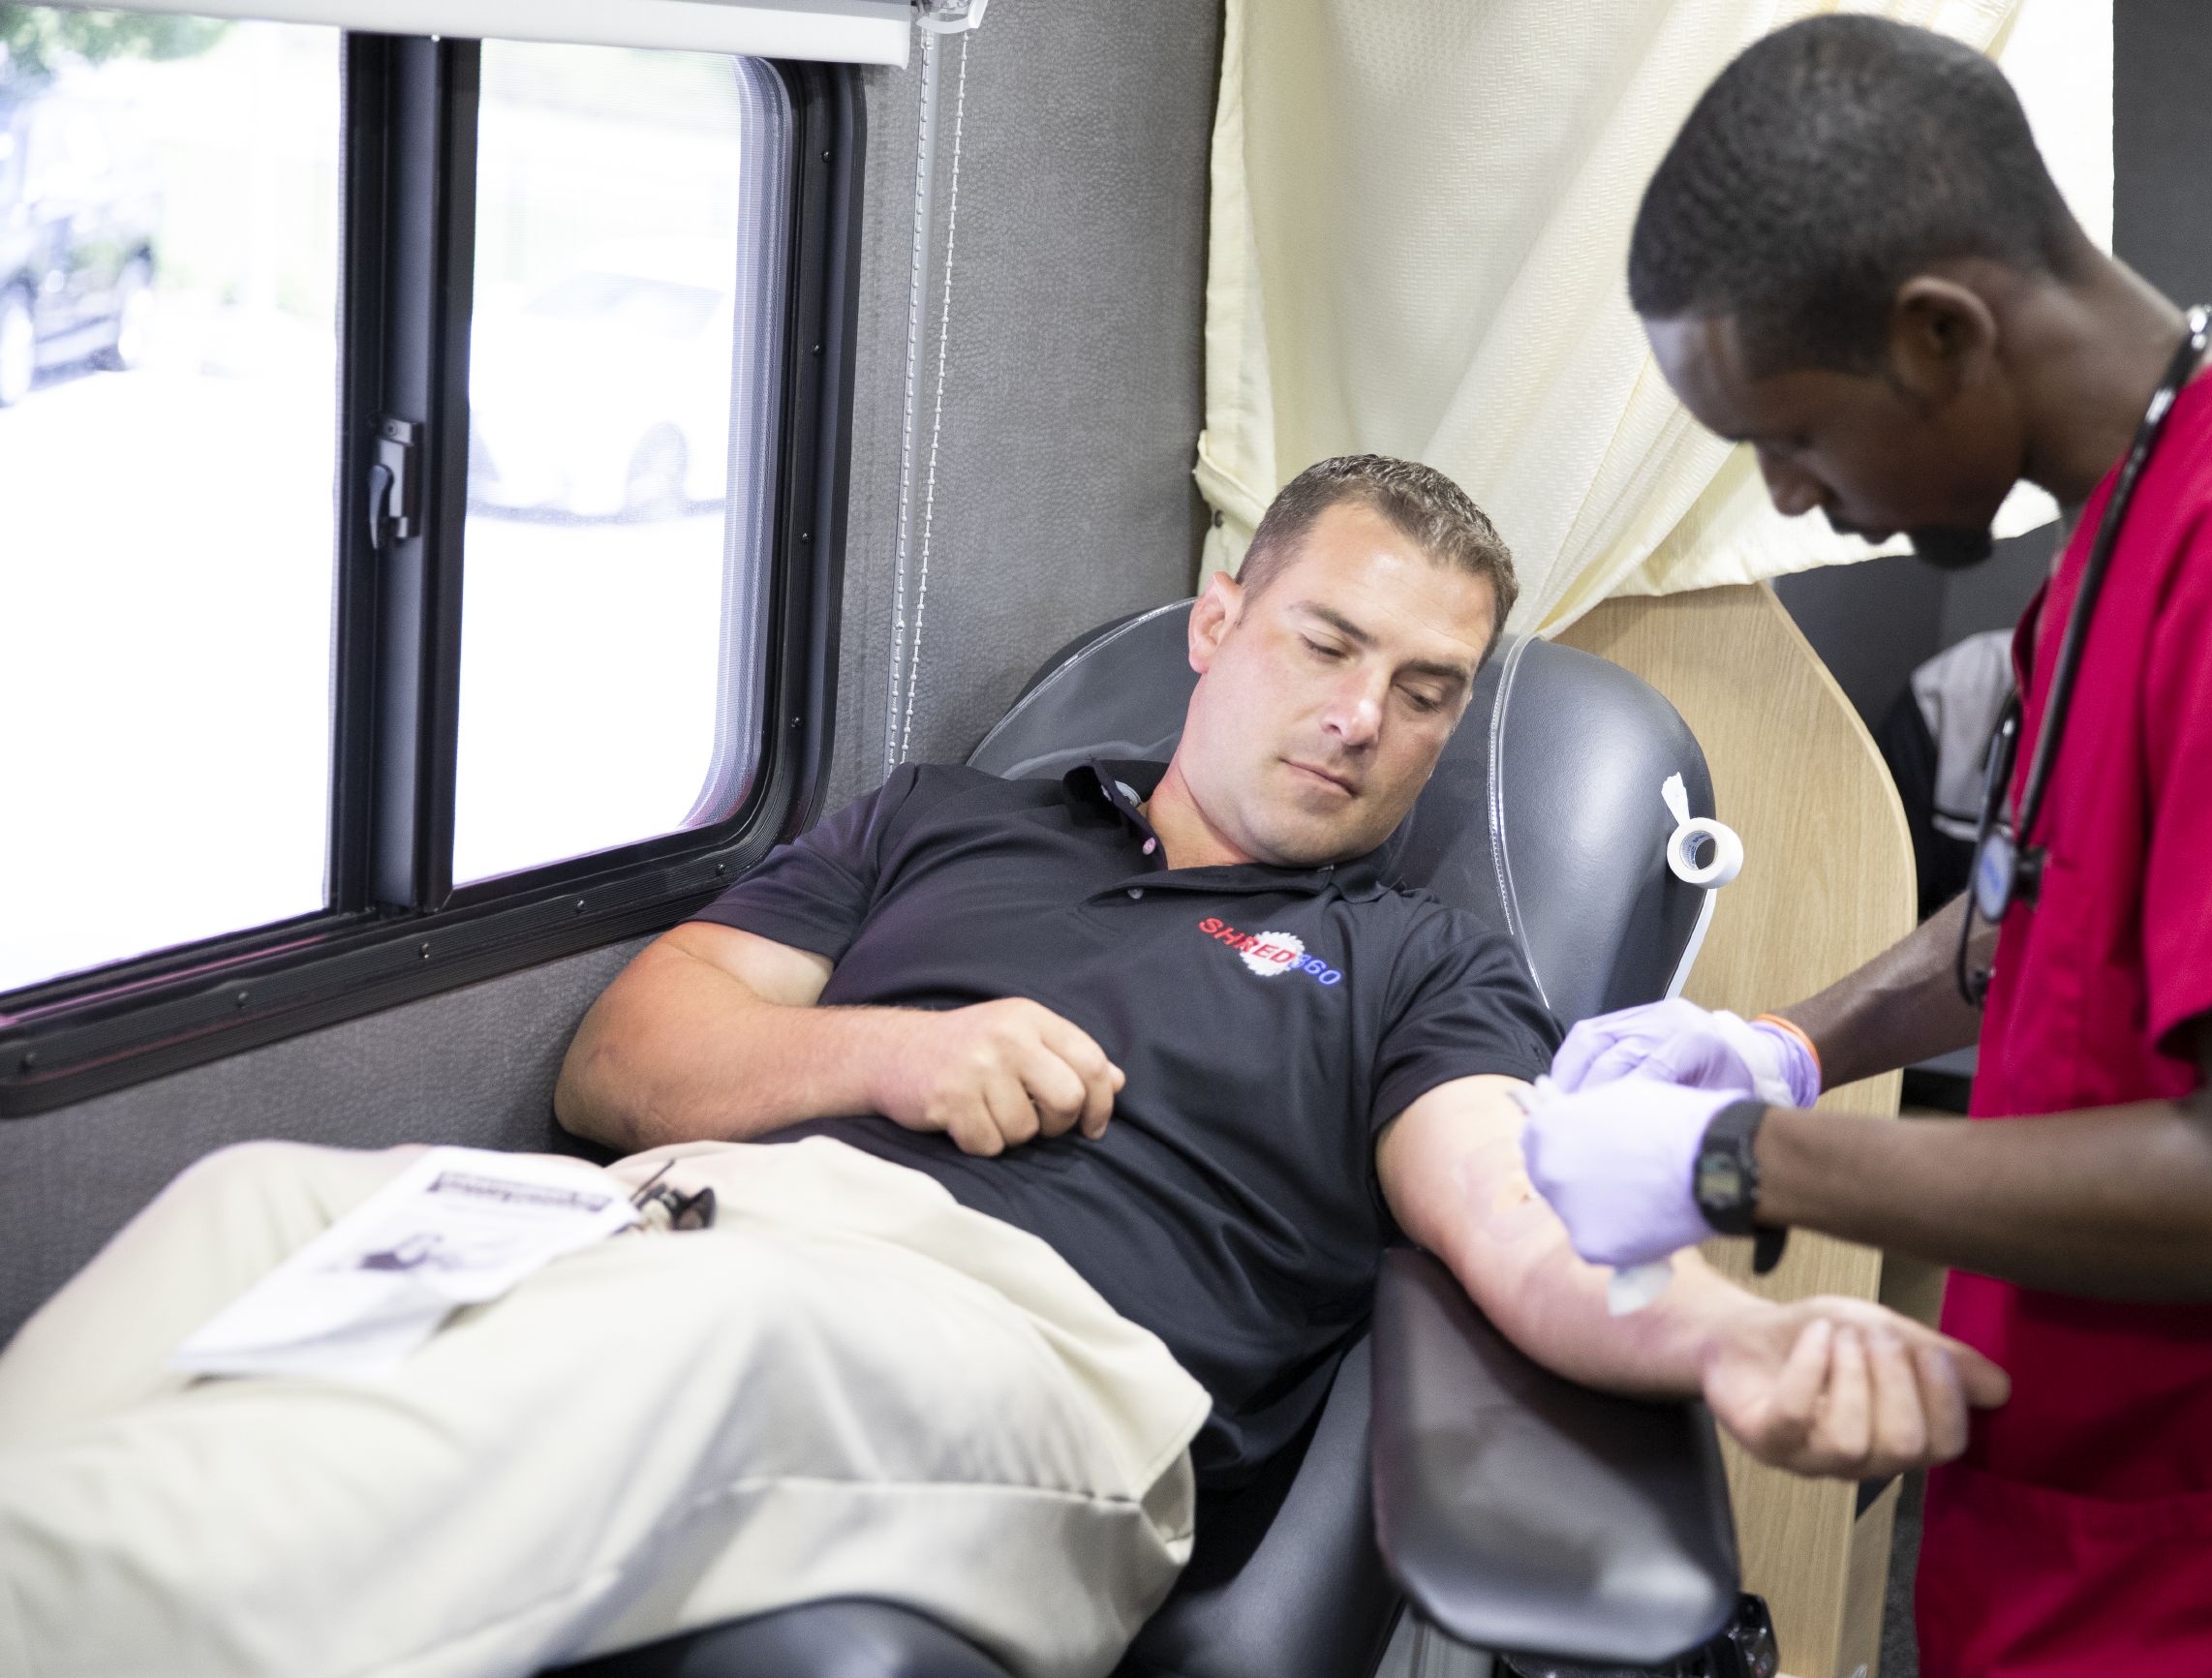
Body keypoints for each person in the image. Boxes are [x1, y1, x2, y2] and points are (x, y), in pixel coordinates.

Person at [0, 454, 2005, 1678]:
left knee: (694, 1338)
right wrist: (896, 1046)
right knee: (248, 1202)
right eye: (1322, 644)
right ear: (1218, 621)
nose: (1360, 720)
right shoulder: (948, 819)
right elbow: (631, 1061)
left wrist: (1726, 1351)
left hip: (1019, 1357)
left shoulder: (1416, 959)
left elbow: (1508, 1211)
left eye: (1424, 692)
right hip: (655, 1224)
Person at [1520, 18, 2212, 1678]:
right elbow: (2026, 926)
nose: (1793, 491)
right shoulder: (2120, 539)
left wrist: (1737, 1165)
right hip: (2078, 1522)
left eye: (1793, 434)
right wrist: (1779, 1047)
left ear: (1937, 334)